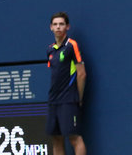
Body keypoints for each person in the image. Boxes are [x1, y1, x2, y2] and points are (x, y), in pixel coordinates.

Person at [46, 12, 87, 155]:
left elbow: (81, 74)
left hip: (69, 99)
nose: (58, 27)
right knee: (56, 139)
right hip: (53, 100)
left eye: (61, 24)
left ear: (67, 27)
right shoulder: (50, 49)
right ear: (51, 27)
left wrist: (79, 98)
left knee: (74, 138)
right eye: (55, 24)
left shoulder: (71, 45)